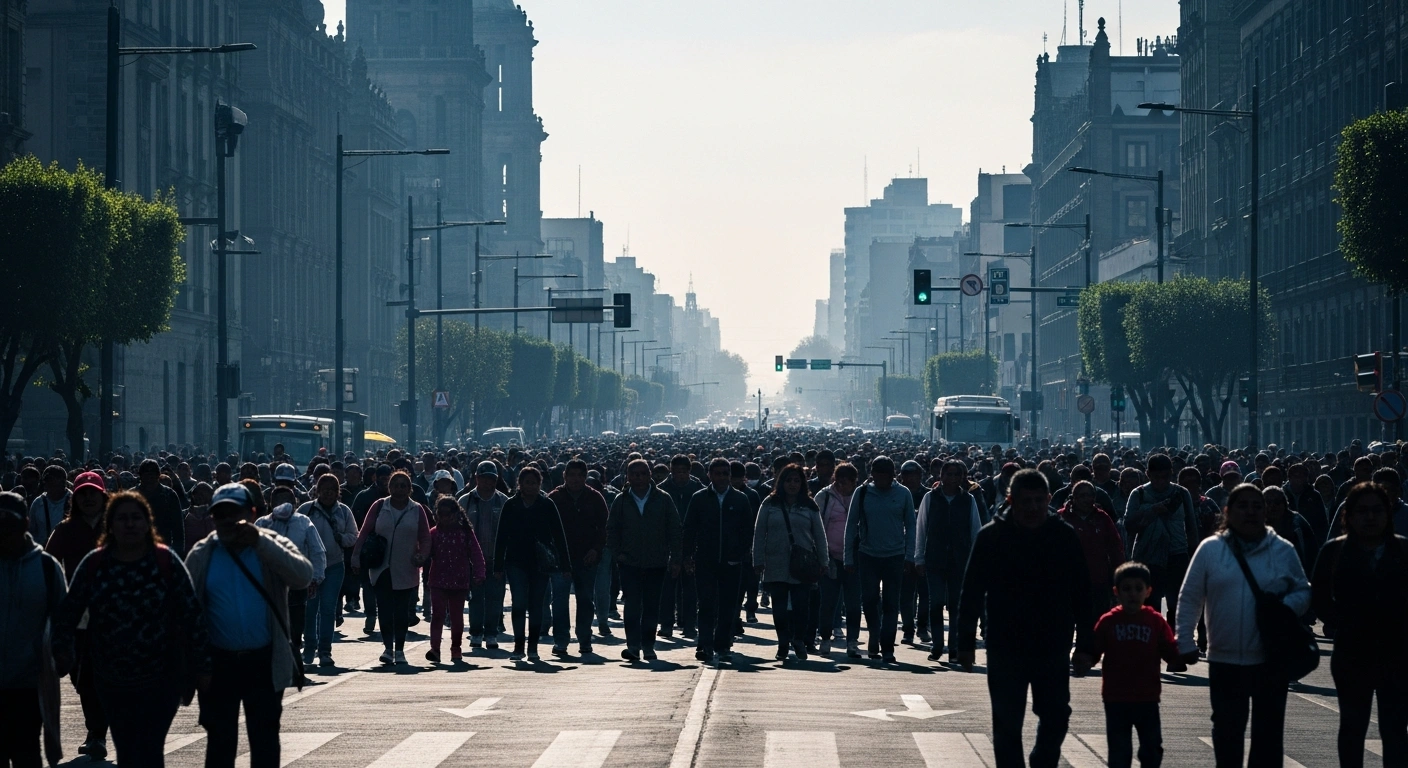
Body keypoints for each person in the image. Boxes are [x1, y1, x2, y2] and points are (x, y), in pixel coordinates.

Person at [53, 491, 208, 767]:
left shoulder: (166, 562)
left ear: (147, 523)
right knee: (127, 749)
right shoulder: (95, 563)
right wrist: (62, 652)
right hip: (112, 679)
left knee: (150, 747)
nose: (130, 524)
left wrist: (202, 668)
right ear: (110, 525)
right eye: (122, 518)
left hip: (163, 678)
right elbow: (68, 612)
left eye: (136, 518)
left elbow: (192, 615)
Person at [958, 468, 1096, 768]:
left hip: (1052, 644)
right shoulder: (991, 536)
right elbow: (971, 592)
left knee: (1057, 716)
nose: (1033, 508)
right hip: (1005, 645)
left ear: (1049, 499)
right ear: (1011, 500)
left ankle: (1041, 761)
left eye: (1039, 501)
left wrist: (1087, 645)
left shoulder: (1063, 536)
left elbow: (1083, 594)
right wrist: (965, 643)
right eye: (1025, 501)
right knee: (1007, 725)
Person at [1175, 483, 1311, 768]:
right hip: (1224, 660)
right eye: (1243, 505)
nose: (1250, 512)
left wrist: (1285, 608)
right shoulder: (1211, 549)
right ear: (1227, 511)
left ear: (1266, 512)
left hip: (1270, 659)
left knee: (1268, 736)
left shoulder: (1282, 550)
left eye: (1257, 506)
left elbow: (1303, 590)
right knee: (1227, 733)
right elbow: (1190, 597)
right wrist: (1184, 641)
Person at [186, 482, 313, 768]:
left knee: (265, 739)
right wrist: (194, 666)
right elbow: (185, 611)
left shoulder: (270, 543)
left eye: (236, 512)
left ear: (252, 513)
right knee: (220, 742)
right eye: (221, 514)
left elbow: (303, 576)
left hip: (263, 660)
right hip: (219, 664)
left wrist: (260, 541)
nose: (228, 520)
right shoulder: (202, 553)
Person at [1312, 482, 1408, 767]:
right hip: (1352, 653)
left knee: (1395, 730)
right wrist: (1342, 621)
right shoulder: (1334, 551)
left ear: (1388, 514)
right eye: (1362, 511)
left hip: (1397, 653)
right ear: (1349, 516)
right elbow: (1318, 595)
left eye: (1377, 510)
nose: (1370, 517)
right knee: (1353, 727)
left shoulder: (1403, 550)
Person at [41, 471, 109, 757]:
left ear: (104, 496)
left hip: (115, 614)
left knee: (106, 673)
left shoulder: (117, 525)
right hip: (78, 615)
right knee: (81, 677)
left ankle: (98, 733)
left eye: (94, 493)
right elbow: (48, 564)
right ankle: (96, 728)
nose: (89, 498)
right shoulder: (66, 530)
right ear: (75, 498)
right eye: (83, 493)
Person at [1092, 561, 1181, 768]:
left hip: (1147, 696)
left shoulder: (1155, 621)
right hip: (1116, 697)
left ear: (1148, 591)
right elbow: (1095, 648)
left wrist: (1179, 656)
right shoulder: (1108, 621)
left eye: (1138, 588)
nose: (1132, 594)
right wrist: (1085, 658)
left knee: (1151, 748)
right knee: (1119, 750)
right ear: (1117, 592)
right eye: (1126, 589)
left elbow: (1168, 648)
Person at [0, 491, 66, 768]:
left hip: (31, 683)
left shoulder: (46, 567)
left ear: (26, 524)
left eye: (10, 526)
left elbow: (64, 618)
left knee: (27, 750)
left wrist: (63, 656)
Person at [606, 458, 682, 662]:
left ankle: (648, 645)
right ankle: (633, 646)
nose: (638, 478)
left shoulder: (663, 499)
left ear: (650, 475)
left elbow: (674, 530)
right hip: (628, 563)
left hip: (656, 562)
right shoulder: (620, 501)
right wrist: (618, 554)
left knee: (651, 606)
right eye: (634, 474)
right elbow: (611, 530)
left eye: (642, 473)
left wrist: (676, 559)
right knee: (631, 605)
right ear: (628, 477)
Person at [492, 465, 570, 662]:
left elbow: (559, 535)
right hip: (515, 562)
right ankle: (519, 646)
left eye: (535, 483)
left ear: (540, 484)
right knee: (518, 604)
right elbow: (501, 536)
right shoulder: (511, 505)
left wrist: (565, 565)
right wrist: (498, 566)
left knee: (537, 605)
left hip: (541, 564)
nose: (531, 486)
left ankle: (533, 646)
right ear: (520, 484)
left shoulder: (547, 505)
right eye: (527, 483)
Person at [843, 455, 916, 663]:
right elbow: (851, 527)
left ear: (893, 476)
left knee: (892, 603)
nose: (882, 480)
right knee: (869, 600)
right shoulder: (863, 492)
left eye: (886, 476)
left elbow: (911, 526)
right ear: (872, 474)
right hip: (867, 555)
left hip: (895, 556)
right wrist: (849, 557)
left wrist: (910, 555)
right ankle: (874, 636)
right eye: (878, 475)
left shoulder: (903, 494)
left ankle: (887, 647)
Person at [353, 470, 430, 665]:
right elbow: (364, 532)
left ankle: (400, 650)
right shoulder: (379, 506)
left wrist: (422, 555)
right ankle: (388, 649)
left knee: (402, 612)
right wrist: (355, 556)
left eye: (404, 485)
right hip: (381, 568)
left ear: (410, 489)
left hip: (406, 568)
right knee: (385, 609)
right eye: (396, 485)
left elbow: (425, 537)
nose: (400, 489)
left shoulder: (417, 509)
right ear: (390, 487)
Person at [752, 463, 827, 662]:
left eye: (796, 481)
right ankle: (783, 642)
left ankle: (799, 640)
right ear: (781, 482)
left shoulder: (810, 505)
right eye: (788, 480)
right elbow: (759, 534)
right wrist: (757, 560)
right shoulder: (770, 503)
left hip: (802, 565)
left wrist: (823, 561)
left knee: (802, 607)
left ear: (802, 483)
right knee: (779, 607)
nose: (792, 485)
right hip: (775, 563)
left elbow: (820, 536)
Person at [683, 457, 754, 663]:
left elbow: (748, 530)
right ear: (710, 475)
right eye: (717, 473)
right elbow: (689, 529)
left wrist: (740, 554)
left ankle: (722, 644)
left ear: (730, 476)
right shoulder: (699, 498)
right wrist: (687, 555)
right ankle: (704, 644)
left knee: (728, 606)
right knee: (706, 604)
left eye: (725, 473)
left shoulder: (740, 499)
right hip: (705, 560)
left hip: (732, 563)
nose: (722, 477)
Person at [915, 459, 984, 663]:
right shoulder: (930, 498)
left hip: (959, 562)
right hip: (934, 560)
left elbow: (975, 531)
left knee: (955, 606)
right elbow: (921, 528)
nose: (952, 478)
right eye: (949, 474)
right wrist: (918, 557)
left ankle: (953, 647)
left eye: (957, 474)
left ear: (963, 477)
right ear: (941, 476)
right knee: (935, 604)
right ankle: (937, 646)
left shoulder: (968, 500)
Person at [1124, 454, 1199, 628]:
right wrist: (1151, 510)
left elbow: (1191, 528)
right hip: (1148, 557)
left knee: (1176, 605)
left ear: (1171, 474)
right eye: (1156, 477)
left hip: (1177, 555)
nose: (1161, 482)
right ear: (1148, 474)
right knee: (1151, 605)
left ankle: (1173, 642)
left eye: (1165, 477)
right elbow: (1129, 525)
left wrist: (1193, 556)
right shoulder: (1139, 494)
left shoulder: (1181, 493)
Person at [547, 459, 609, 657]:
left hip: (587, 559)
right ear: (564, 476)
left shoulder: (595, 498)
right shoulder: (554, 498)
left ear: (585, 477)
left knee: (585, 599)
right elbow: (545, 529)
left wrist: (596, 549)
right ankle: (561, 641)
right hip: (560, 560)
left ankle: (584, 639)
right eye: (571, 475)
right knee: (559, 601)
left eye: (580, 475)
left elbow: (605, 528)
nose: (575, 479)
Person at [296, 474, 358, 667]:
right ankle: (308, 650)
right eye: (325, 488)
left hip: (334, 566)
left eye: (332, 489)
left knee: (328, 609)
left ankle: (325, 651)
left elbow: (353, 536)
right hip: (309, 569)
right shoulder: (306, 510)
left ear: (338, 492)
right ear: (317, 490)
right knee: (310, 609)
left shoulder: (344, 512)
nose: (328, 493)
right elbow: (295, 535)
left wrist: (341, 538)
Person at [1056, 479, 1126, 629]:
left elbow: (1115, 548)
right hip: (1068, 584)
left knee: (1097, 627)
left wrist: (1119, 576)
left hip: (1098, 581)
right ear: (1073, 498)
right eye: (1082, 496)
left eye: (1090, 495)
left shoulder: (1102, 518)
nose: (1086, 499)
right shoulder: (1060, 518)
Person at [425, 495, 486, 663]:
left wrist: (479, 573)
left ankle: (456, 648)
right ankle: (435, 648)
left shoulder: (465, 533)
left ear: (456, 514)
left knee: (456, 616)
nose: (444, 517)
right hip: (437, 580)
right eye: (441, 513)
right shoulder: (434, 534)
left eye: (447, 513)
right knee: (437, 615)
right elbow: (424, 553)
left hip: (459, 582)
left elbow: (476, 553)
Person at [459, 461, 508, 650]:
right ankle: (476, 633)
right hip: (472, 561)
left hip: (496, 560)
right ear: (477, 478)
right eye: (484, 478)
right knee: (476, 598)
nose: (488, 482)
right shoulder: (465, 501)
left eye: (492, 479)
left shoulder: (503, 501)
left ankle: (491, 633)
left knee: (495, 598)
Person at [815, 462, 861, 657]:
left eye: (847, 482)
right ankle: (825, 639)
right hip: (830, 558)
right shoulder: (824, 496)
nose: (842, 486)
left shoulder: (861, 497)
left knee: (853, 604)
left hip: (854, 559)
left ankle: (852, 641)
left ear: (854, 482)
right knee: (828, 602)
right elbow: (816, 527)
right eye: (839, 481)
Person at [658, 454, 704, 639]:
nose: (680, 475)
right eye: (676, 472)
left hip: (691, 545)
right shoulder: (662, 491)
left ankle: (689, 624)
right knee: (667, 589)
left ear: (689, 471)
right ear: (671, 471)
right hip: (667, 545)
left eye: (684, 471)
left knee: (690, 589)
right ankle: (666, 625)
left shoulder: (698, 489)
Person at [137, 458, 184, 554]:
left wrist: (177, 554)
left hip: (163, 548)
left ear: (158, 475)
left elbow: (178, 527)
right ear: (140, 476)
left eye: (152, 473)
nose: (150, 476)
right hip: (136, 548)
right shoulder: (132, 495)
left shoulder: (169, 495)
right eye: (146, 473)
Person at [27, 464, 68, 546]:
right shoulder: (38, 503)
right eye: (46, 481)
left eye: (52, 481)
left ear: (63, 482)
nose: (48, 485)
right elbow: (31, 530)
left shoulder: (73, 501)